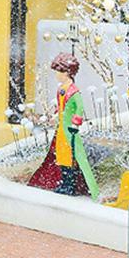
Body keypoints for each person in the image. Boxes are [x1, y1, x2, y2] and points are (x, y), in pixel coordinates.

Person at [26, 53, 99, 199]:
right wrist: (55, 116)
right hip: (60, 129)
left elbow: (79, 108)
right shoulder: (61, 89)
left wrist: (75, 123)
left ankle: (70, 185)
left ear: (67, 72)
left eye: (59, 72)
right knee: (62, 156)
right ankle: (64, 183)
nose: (57, 75)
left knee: (71, 157)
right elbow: (61, 107)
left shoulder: (74, 91)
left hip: (69, 130)